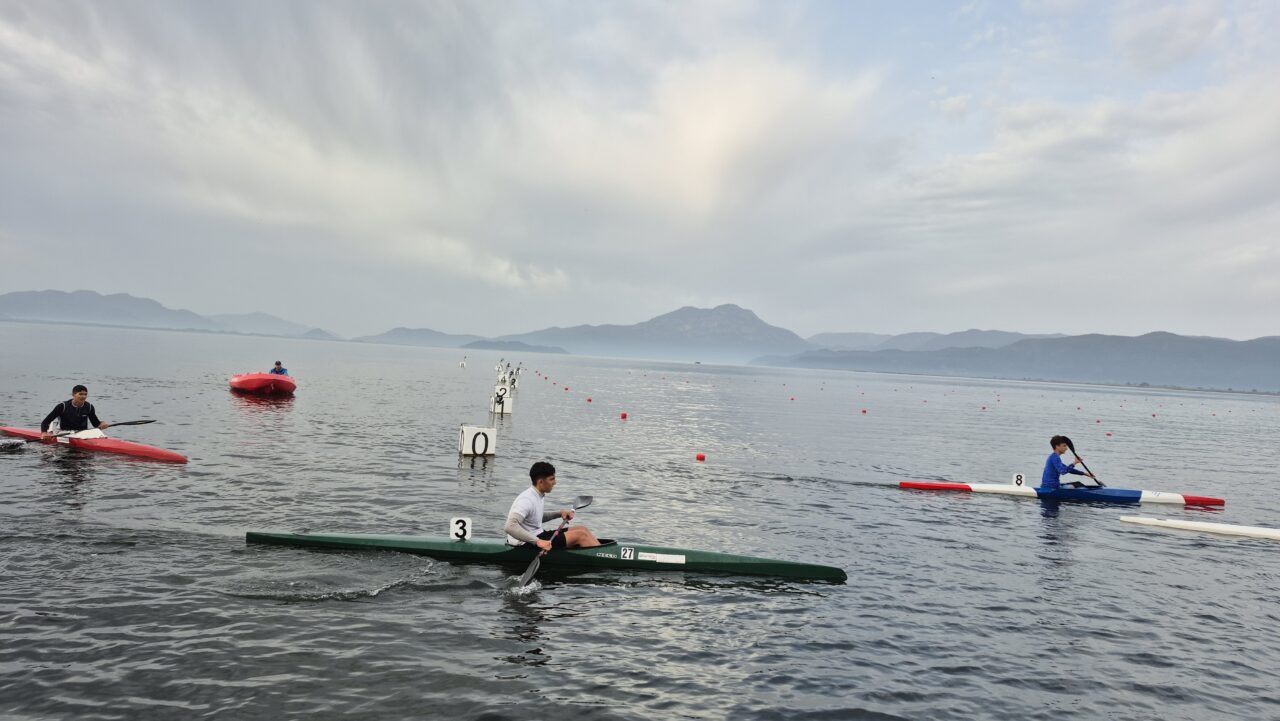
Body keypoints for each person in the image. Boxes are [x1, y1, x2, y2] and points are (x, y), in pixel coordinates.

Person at [504, 461, 601, 550]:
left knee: (582, 529)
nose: (555, 482)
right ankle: (604, 557)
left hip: (538, 535)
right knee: (581, 535)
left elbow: (535, 518)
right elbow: (510, 527)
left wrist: (559, 514)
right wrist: (538, 542)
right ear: (540, 482)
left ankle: (601, 551)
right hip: (524, 543)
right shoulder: (526, 500)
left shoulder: (537, 494)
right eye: (552, 479)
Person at [40, 385, 110, 439]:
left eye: (85, 394)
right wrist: (44, 433)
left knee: (98, 431)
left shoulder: (89, 407)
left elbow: (96, 424)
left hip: (81, 432)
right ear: (73, 395)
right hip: (64, 432)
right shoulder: (62, 406)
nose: (83, 396)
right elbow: (45, 422)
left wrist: (102, 424)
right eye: (81, 394)